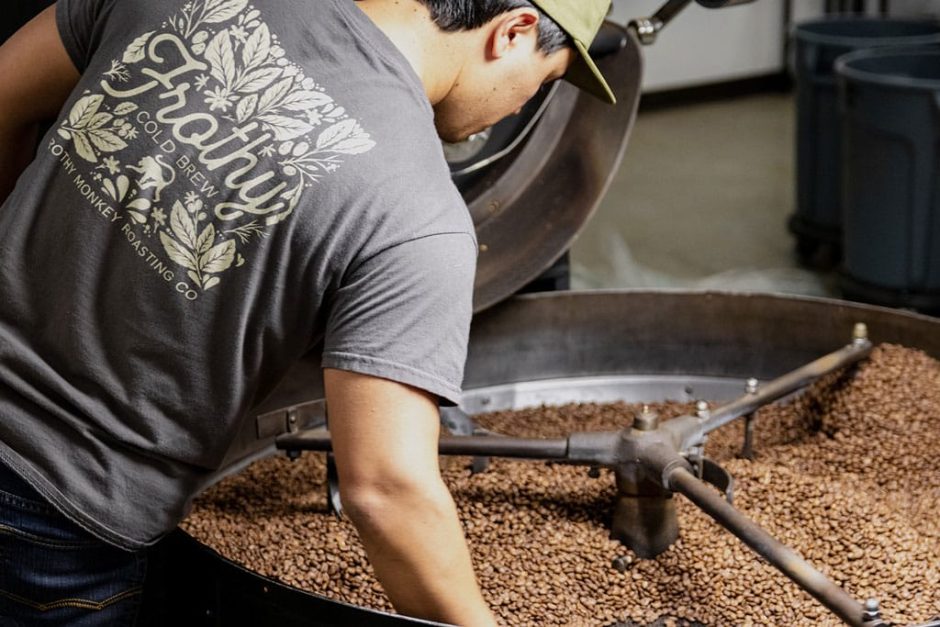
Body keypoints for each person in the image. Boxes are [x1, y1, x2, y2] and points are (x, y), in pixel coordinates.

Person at [0, 0, 614, 624]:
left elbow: (4, 93)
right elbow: (384, 491)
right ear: (512, 33)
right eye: (544, 82)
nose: (520, 106)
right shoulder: (417, 215)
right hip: (55, 522)